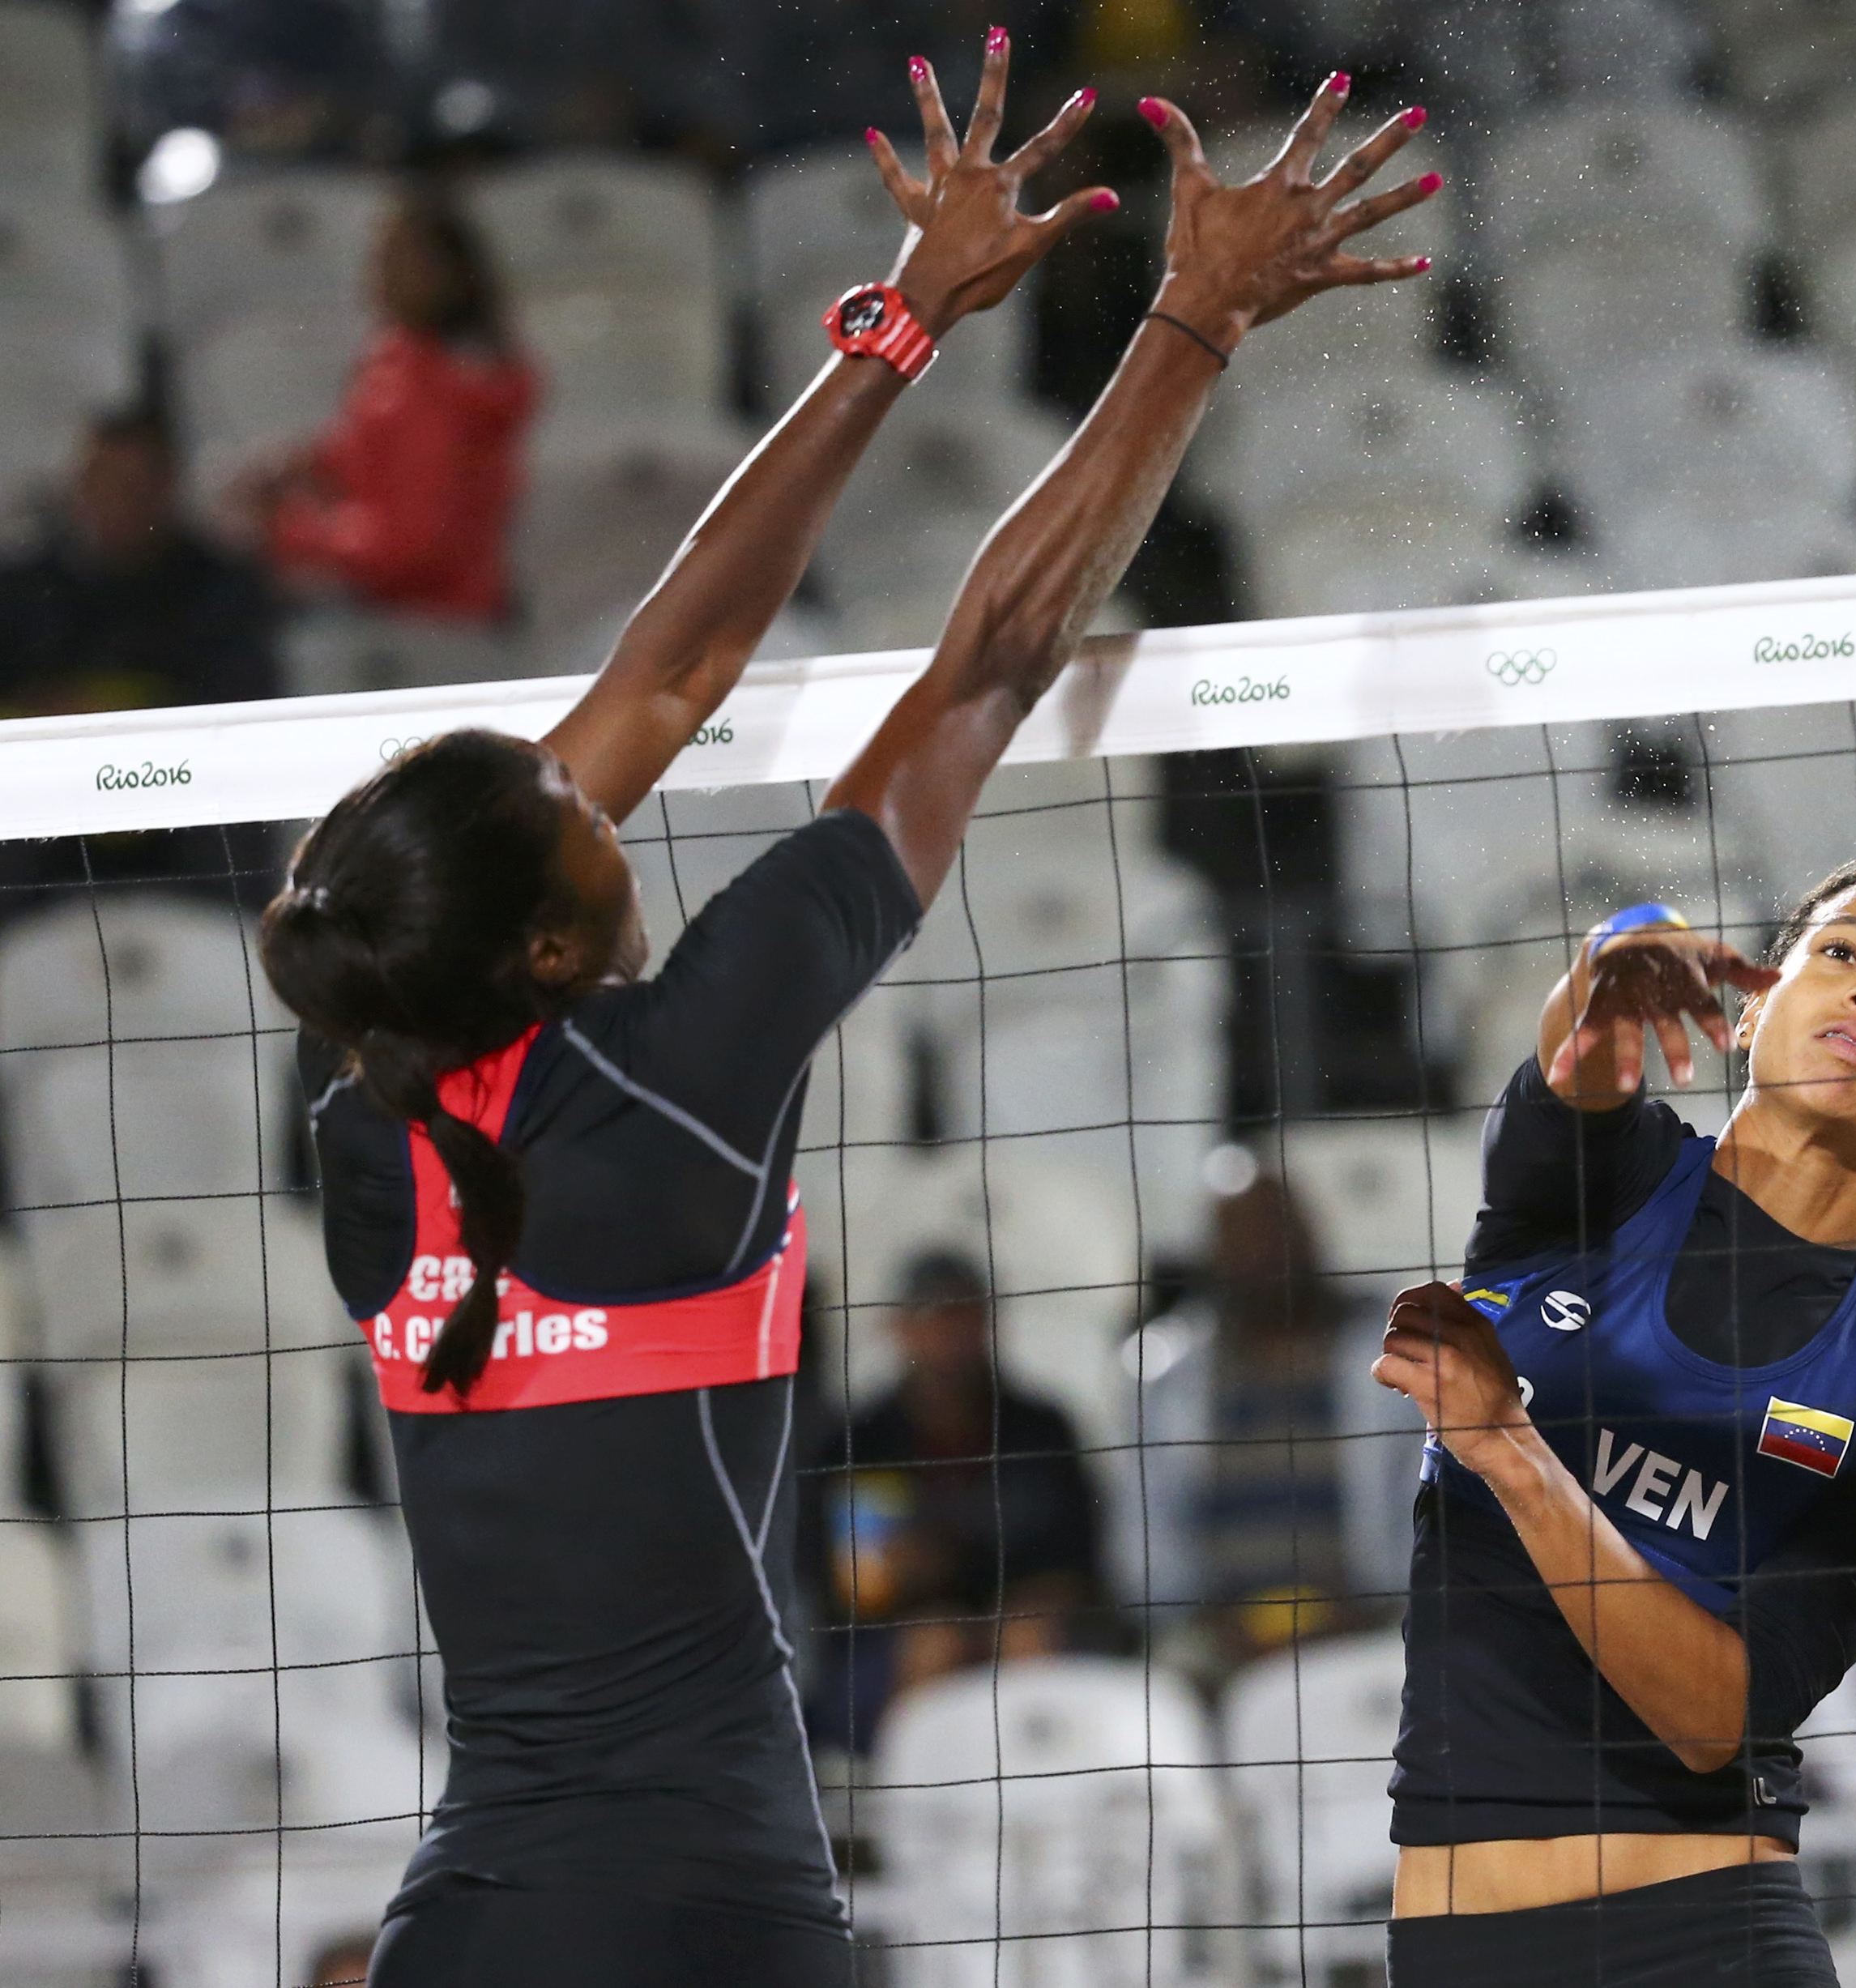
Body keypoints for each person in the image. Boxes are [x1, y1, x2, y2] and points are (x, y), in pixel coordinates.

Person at [257, 37, 1435, 1986]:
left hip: (478, 1921)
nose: (600, 772)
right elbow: (985, 664)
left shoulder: (360, 1120)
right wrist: (1194, 319)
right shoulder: (695, 1070)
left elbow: (671, 667)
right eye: (568, 803)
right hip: (724, 1912)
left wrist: (899, 326)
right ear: (547, 947)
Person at [1373, 863, 1856, 1987]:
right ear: (1751, 1006)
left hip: (1707, 1937)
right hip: (1453, 1950)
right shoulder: (1600, 1180)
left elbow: (1713, 1716)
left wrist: (1515, 1453)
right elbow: (1582, 1046)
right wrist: (1622, 947)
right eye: (1840, 954)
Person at [809, 1248, 1107, 1752]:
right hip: (890, 1648)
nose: (949, 1338)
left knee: (1027, 1638)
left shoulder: (1039, 1429)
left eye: (963, 1316)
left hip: (1026, 1629)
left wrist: (945, 1559)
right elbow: (863, 1585)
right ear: (899, 1329)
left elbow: (1079, 1565)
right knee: (935, 1644)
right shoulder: (863, 1441)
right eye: (933, 1319)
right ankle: (913, 1808)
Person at [1121, 1158, 1414, 1661]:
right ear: (1214, 1254)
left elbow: (1427, 1520)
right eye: (1243, 1235)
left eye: (1279, 1226)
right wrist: (1210, 1623)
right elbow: (1145, 1546)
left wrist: (1365, 1611)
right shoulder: (1165, 1374)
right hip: (1220, 1643)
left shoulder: (1396, 1354)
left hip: (1372, 1632)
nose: (1265, 1250)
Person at [234, 181, 535, 621]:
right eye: (380, 254)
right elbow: (373, 465)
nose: (381, 271)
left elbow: (409, 546)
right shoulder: (398, 363)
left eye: (403, 257)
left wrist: (286, 529)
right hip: (413, 610)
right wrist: (312, 465)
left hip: (431, 624)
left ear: (452, 272)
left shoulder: (440, 388)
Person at [0, 406, 280, 717]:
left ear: (167, 488)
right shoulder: (19, 591)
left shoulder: (220, 590)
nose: (116, 502)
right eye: (103, 481)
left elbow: (243, 703)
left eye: (134, 486)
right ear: (79, 484)